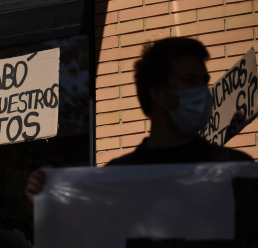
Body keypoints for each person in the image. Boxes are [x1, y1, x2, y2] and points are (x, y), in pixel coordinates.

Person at [25, 37, 253, 202]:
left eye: (204, 80)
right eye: (190, 79)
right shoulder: (118, 177)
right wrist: (48, 194)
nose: (203, 90)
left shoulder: (236, 169)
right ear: (158, 93)